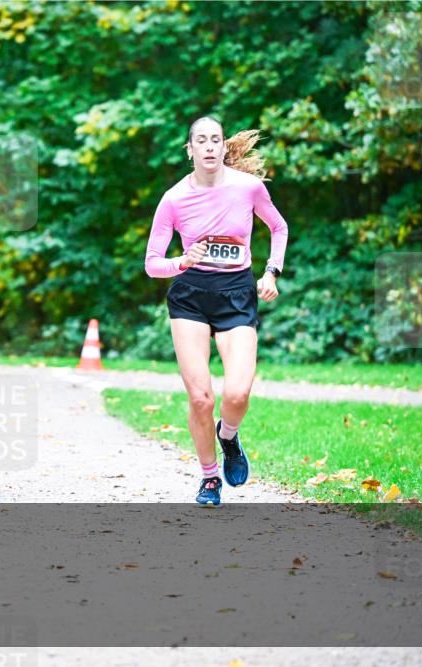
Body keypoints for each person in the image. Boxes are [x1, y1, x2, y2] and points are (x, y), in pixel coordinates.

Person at [144, 117, 289, 506]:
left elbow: (279, 228)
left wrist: (271, 272)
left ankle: (228, 436)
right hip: (190, 296)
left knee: (238, 393)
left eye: (215, 140)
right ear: (189, 149)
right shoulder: (174, 198)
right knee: (201, 399)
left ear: (224, 147)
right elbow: (152, 263)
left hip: (237, 293)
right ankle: (210, 477)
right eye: (201, 141)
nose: (209, 146)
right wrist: (182, 261)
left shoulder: (248, 188)